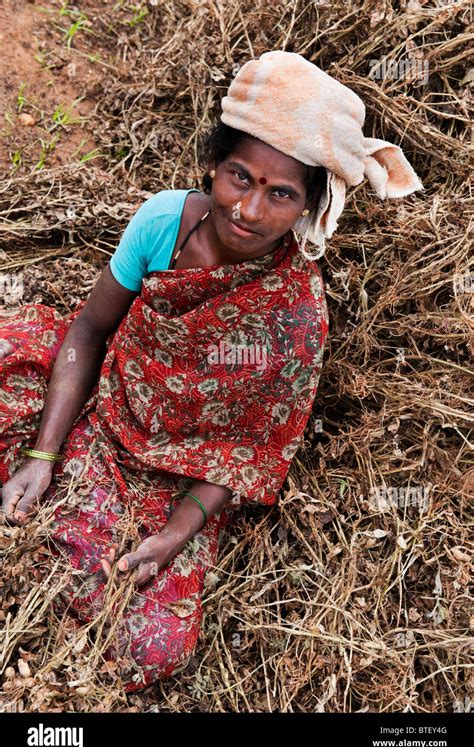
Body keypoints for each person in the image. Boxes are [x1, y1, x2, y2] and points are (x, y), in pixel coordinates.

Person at [0, 51, 422, 692]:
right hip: (103, 400)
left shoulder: (295, 315)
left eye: (281, 194)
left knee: (152, 645)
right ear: (213, 166)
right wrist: (43, 452)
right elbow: (88, 330)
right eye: (238, 176)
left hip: (175, 474)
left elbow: (247, 452)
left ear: (310, 208)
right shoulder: (167, 220)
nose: (249, 209)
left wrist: (172, 537)